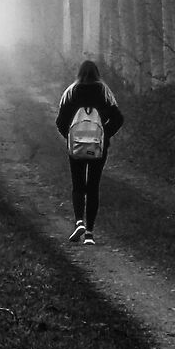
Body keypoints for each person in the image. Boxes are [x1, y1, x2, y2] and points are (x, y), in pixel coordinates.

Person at [54, 58, 124, 245]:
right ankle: (90, 234)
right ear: (97, 73)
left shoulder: (70, 92)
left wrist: (70, 137)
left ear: (79, 73)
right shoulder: (104, 92)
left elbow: (60, 122)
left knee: (78, 185)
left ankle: (79, 222)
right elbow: (118, 118)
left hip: (76, 147)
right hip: (98, 148)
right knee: (93, 187)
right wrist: (105, 135)